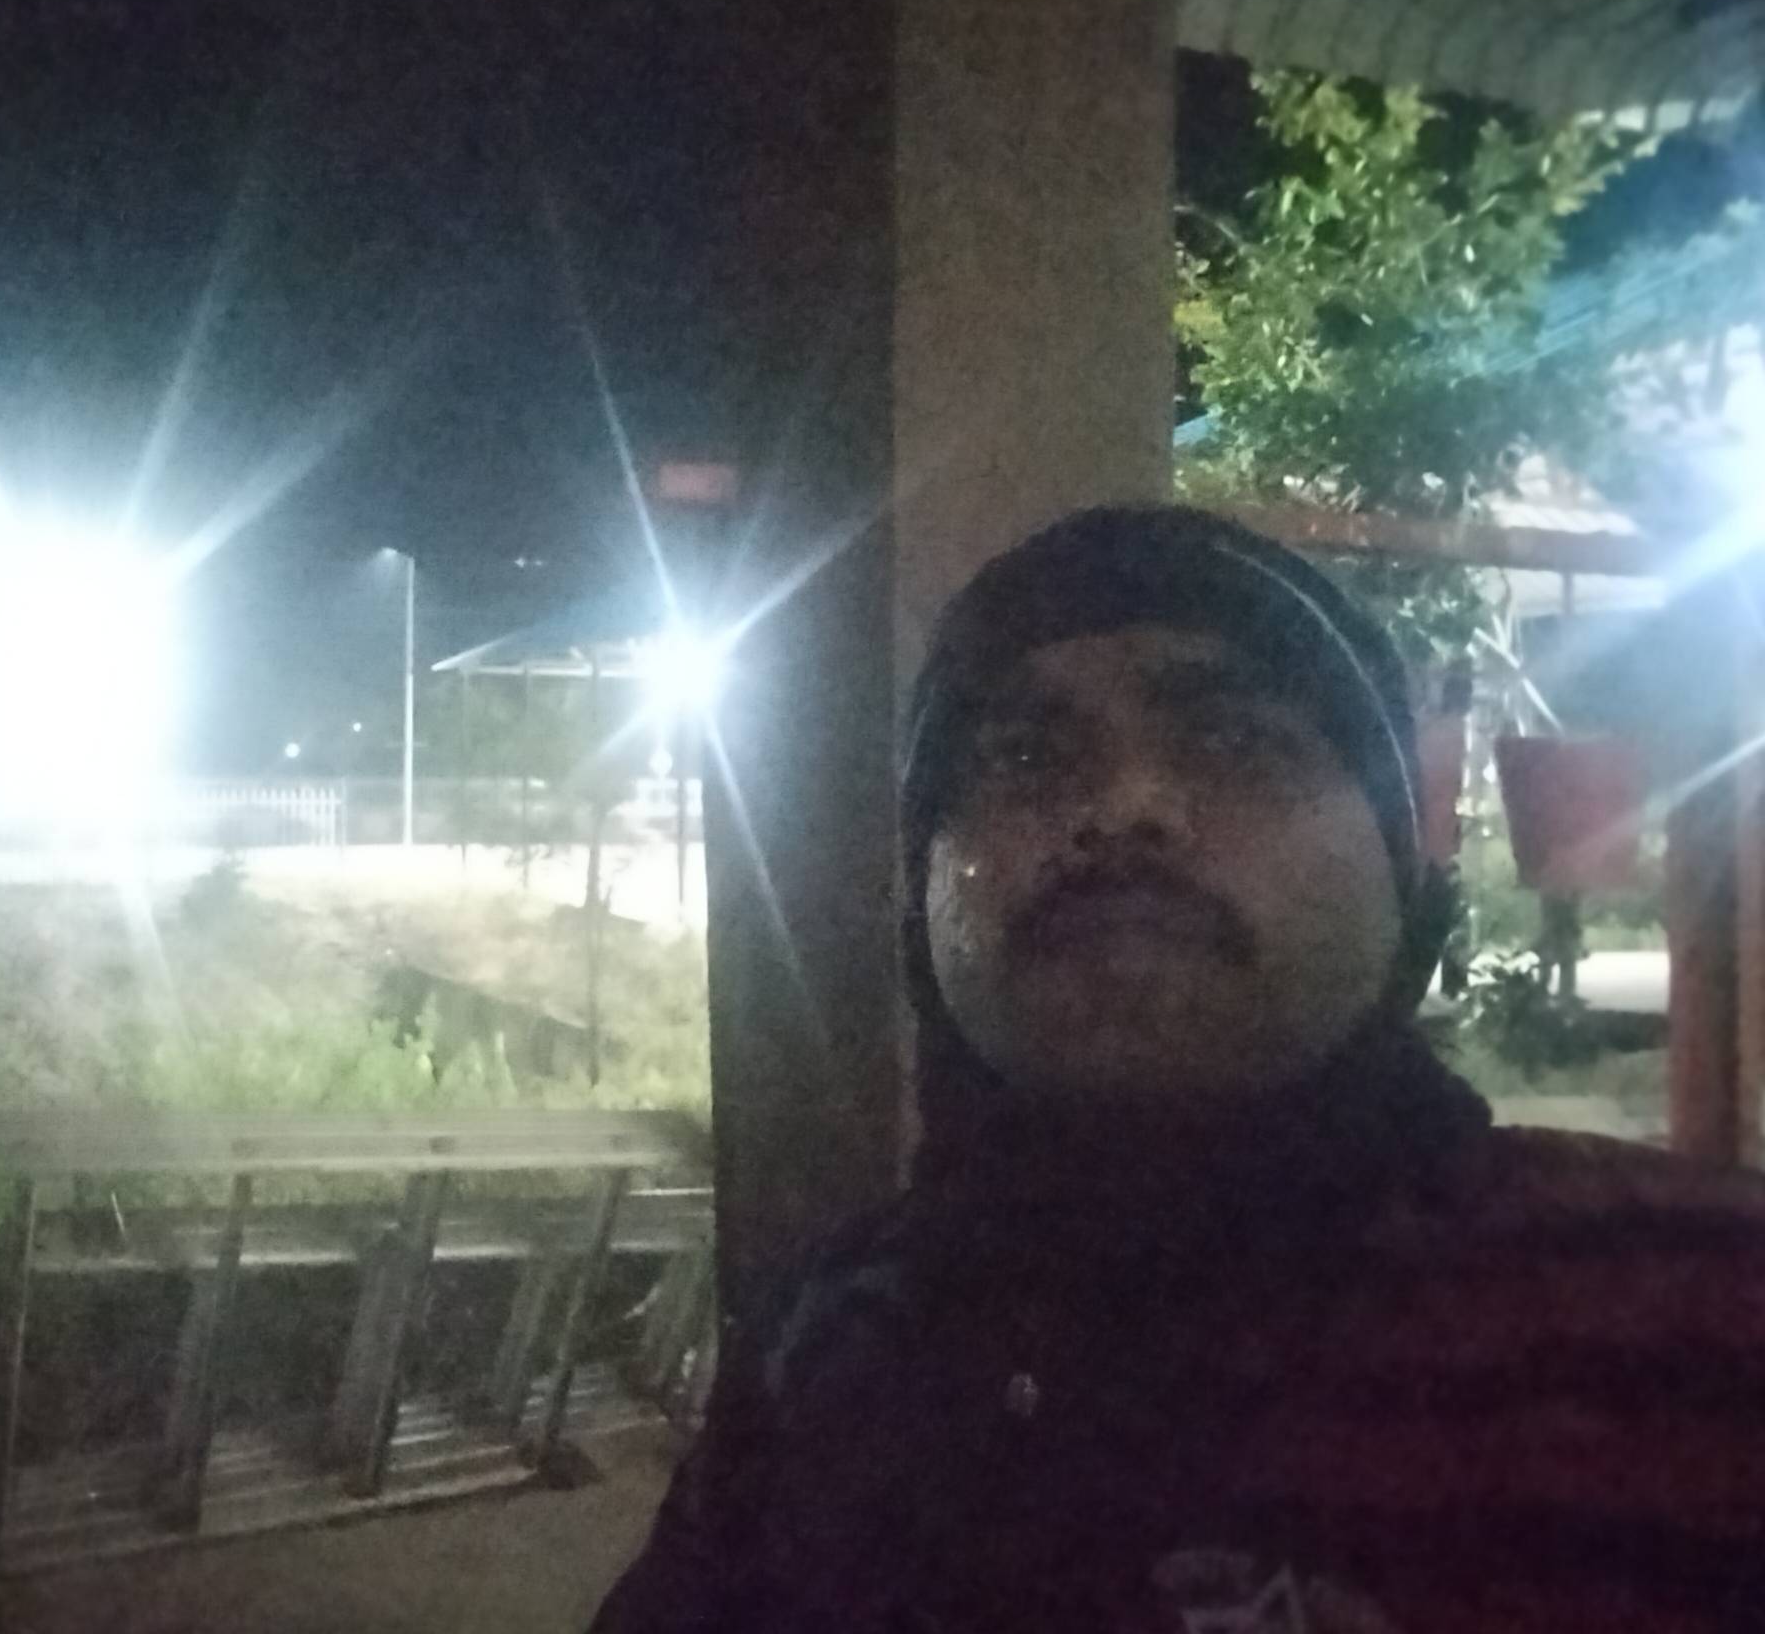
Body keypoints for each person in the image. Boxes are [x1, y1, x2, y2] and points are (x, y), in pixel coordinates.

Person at [593, 506, 1765, 1633]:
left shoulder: (1694, 1311)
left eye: (1235, 743)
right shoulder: (826, 1348)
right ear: (919, 906)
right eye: (1024, 756)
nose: (1127, 808)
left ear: (1409, 885)